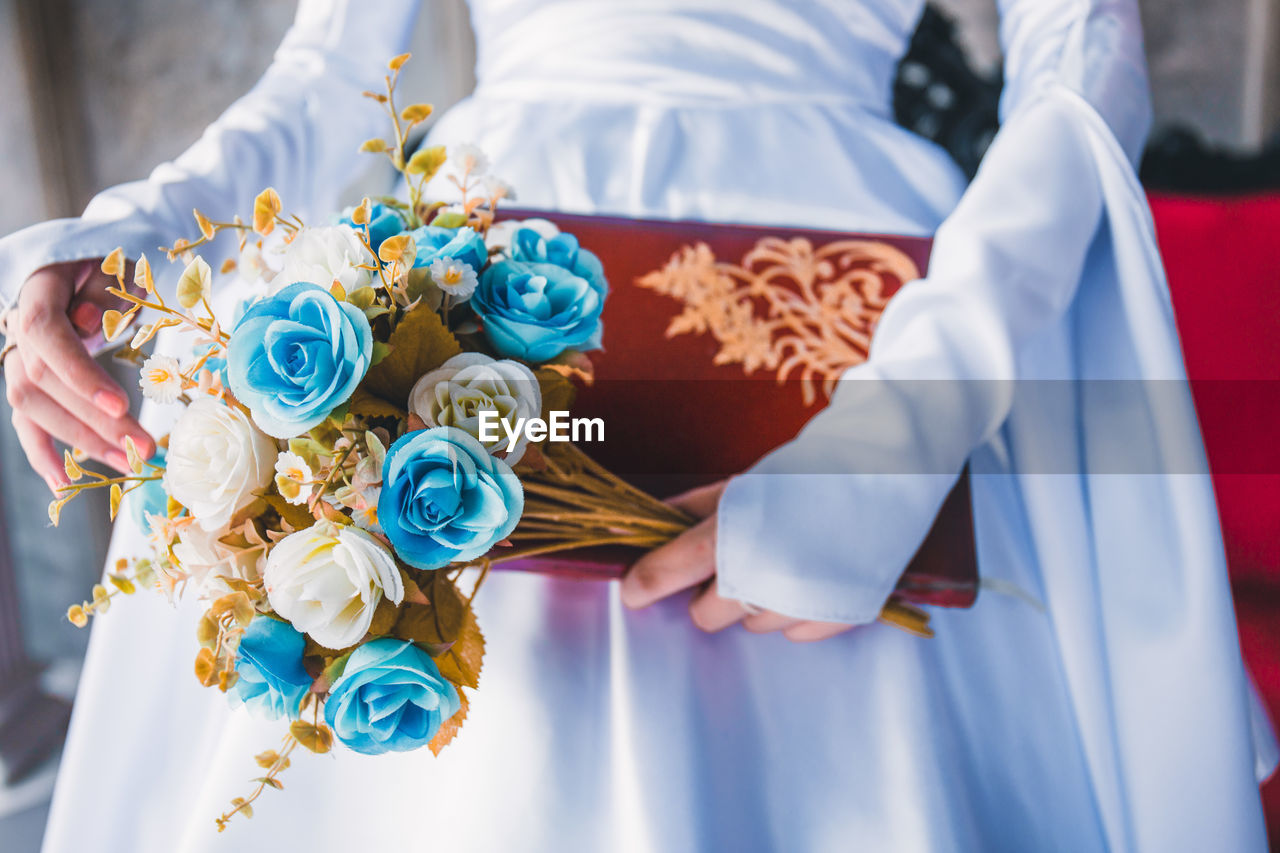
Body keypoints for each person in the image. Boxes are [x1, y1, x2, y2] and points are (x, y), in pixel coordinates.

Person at [1, 1, 1273, 850]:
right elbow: (329, 71)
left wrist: (905, 428)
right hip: (483, 269)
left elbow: (1081, 58)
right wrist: (140, 237)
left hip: (855, 304)